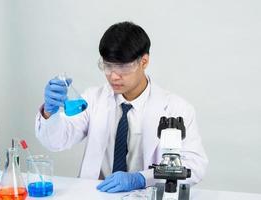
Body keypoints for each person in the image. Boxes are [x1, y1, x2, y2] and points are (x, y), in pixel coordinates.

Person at [35, 21, 208, 193]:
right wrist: (50, 113)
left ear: (144, 61)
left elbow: (195, 165)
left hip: (146, 194)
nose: (114, 76)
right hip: (99, 194)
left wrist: (142, 178)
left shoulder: (177, 108)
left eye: (123, 67)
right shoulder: (93, 99)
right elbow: (57, 141)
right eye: (108, 66)